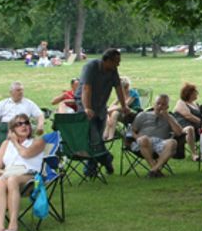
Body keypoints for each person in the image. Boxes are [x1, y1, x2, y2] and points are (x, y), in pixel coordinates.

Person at [0, 114, 47, 231]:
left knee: (12, 178)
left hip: (30, 178)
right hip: (10, 175)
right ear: (12, 130)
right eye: (19, 124)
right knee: (1, 181)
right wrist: (6, 173)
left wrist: (14, 141)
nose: (24, 125)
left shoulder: (38, 141)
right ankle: (0, 227)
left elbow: (25, 153)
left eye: (26, 123)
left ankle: (13, 226)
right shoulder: (5, 144)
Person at [75, 48, 127, 176]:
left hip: (100, 107)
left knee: (97, 138)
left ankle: (91, 170)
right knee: (94, 138)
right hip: (85, 105)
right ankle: (107, 159)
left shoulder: (113, 70)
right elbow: (86, 88)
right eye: (116, 62)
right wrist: (87, 108)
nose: (118, 65)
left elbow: (118, 87)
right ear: (107, 60)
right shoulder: (91, 67)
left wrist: (124, 105)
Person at [130, 94, 184, 178]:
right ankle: (156, 169)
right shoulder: (143, 115)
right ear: (153, 104)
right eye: (158, 103)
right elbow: (132, 131)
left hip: (161, 143)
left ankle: (153, 170)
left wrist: (167, 117)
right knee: (144, 139)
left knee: (173, 142)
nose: (160, 106)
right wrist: (138, 138)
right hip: (145, 142)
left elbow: (179, 133)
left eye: (163, 104)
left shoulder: (170, 117)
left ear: (167, 106)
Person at [174, 83, 202, 161]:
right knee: (190, 129)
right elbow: (188, 116)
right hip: (182, 128)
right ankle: (194, 154)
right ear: (189, 94)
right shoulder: (181, 102)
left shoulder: (195, 104)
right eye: (195, 92)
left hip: (197, 128)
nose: (197, 94)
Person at [104, 76, 139, 141]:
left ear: (127, 87)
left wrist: (109, 110)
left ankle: (110, 136)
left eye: (120, 89)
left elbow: (124, 106)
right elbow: (113, 104)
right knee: (113, 112)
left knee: (114, 112)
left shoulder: (133, 94)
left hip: (134, 115)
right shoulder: (122, 93)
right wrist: (109, 110)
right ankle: (107, 134)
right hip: (125, 113)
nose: (119, 90)